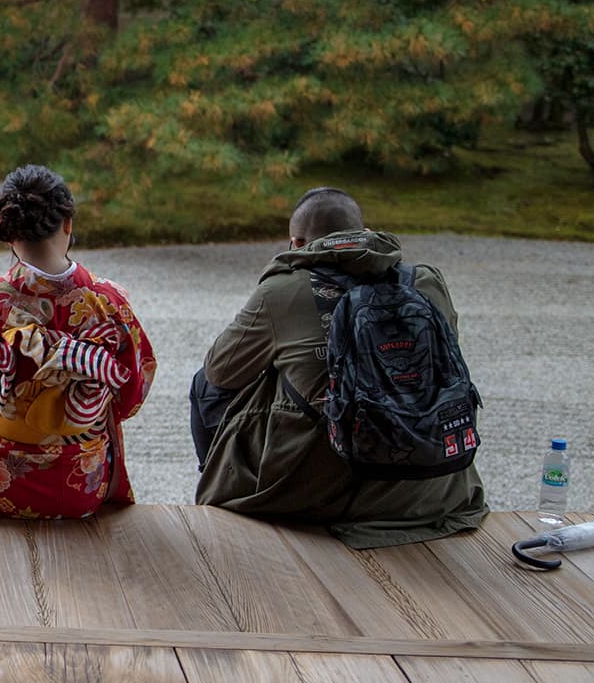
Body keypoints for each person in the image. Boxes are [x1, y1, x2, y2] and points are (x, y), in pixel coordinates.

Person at [192, 186, 488, 547]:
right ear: (364, 232)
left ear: (296, 242)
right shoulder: (425, 281)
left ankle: (219, 482)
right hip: (437, 488)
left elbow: (220, 373)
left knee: (206, 384)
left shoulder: (282, 290)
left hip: (326, 493)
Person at [0, 165, 156, 519]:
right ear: (68, 223)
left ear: (8, 233)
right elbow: (133, 388)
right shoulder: (109, 300)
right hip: (83, 484)